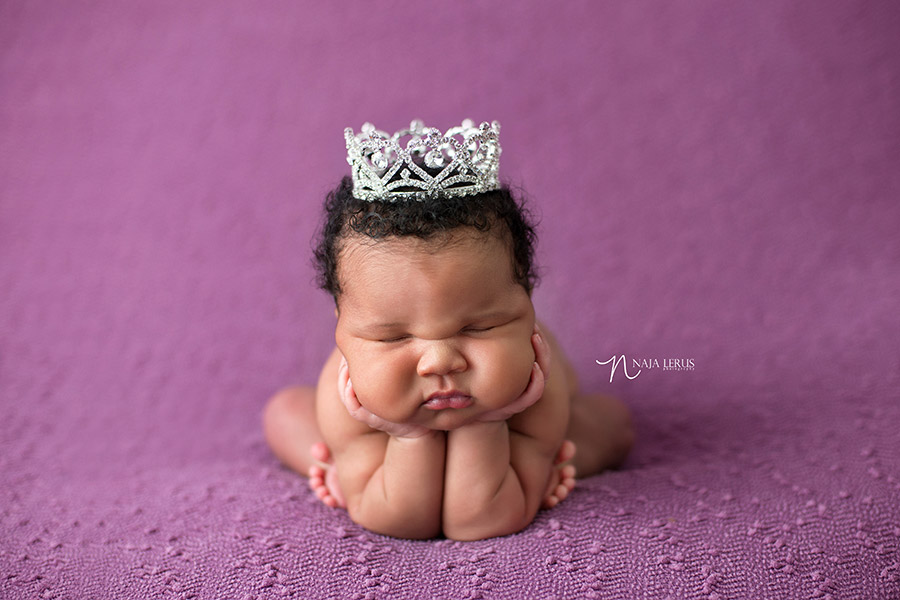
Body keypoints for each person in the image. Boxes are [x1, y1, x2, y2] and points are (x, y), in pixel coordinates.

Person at [263, 120, 634, 540]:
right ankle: (335, 461)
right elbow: (399, 518)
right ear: (342, 325)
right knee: (286, 412)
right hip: (375, 427)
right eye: (393, 337)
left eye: (479, 326)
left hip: (523, 423)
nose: (440, 361)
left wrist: (492, 422)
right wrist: (405, 436)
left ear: (527, 302)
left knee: (610, 425)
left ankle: (557, 454)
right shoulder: (346, 395)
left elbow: (482, 519)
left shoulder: (535, 387)